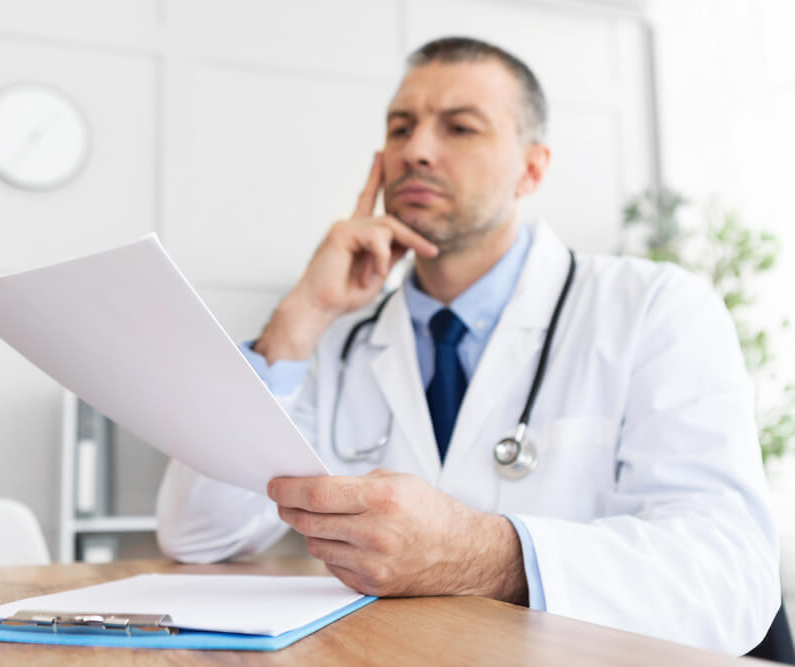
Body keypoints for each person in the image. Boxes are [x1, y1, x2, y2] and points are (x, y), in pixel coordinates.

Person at [155, 36, 780, 654]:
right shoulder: (336, 340)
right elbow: (196, 535)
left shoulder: (653, 309)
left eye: (459, 128)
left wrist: (482, 555)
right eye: (400, 128)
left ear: (532, 167)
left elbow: (729, 576)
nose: (416, 151)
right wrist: (300, 315)